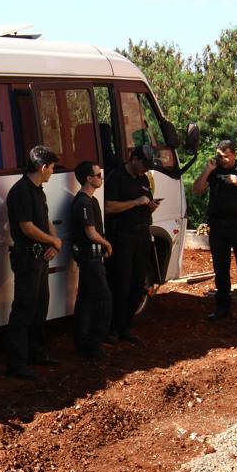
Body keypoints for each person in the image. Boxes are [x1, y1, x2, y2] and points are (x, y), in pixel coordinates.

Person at [4, 145, 62, 380]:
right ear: (42, 167)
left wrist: (53, 242)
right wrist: (54, 242)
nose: (52, 172)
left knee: (40, 306)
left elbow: (44, 220)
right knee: (24, 309)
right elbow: (26, 227)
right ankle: (16, 363)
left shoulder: (39, 191)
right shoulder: (20, 192)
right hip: (27, 257)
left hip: (40, 256)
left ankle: (37, 352)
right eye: (52, 168)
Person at [192, 139, 237, 321]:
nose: (221, 159)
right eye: (219, 155)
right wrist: (208, 170)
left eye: (225, 156)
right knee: (220, 268)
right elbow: (197, 190)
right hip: (218, 226)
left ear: (234, 154)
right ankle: (222, 308)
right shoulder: (214, 170)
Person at [103, 145, 159, 346]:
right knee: (121, 283)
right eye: (144, 164)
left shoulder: (143, 180)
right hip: (122, 236)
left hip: (142, 235)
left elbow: (147, 202)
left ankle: (126, 326)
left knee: (138, 283)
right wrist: (135, 202)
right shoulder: (116, 177)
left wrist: (150, 205)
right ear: (133, 158)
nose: (145, 169)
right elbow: (108, 207)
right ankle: (114, 328)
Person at [70, 161, 113, 359]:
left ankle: (83, 342)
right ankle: (94, 343)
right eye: (98, 175)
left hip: (94, 257)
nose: (101, 178)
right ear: (88, 178)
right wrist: (106, 244)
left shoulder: (91, 201)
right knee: (103, 299)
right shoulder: (83, 202)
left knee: (85, 300)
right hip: (89, 259)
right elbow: (90, 232)